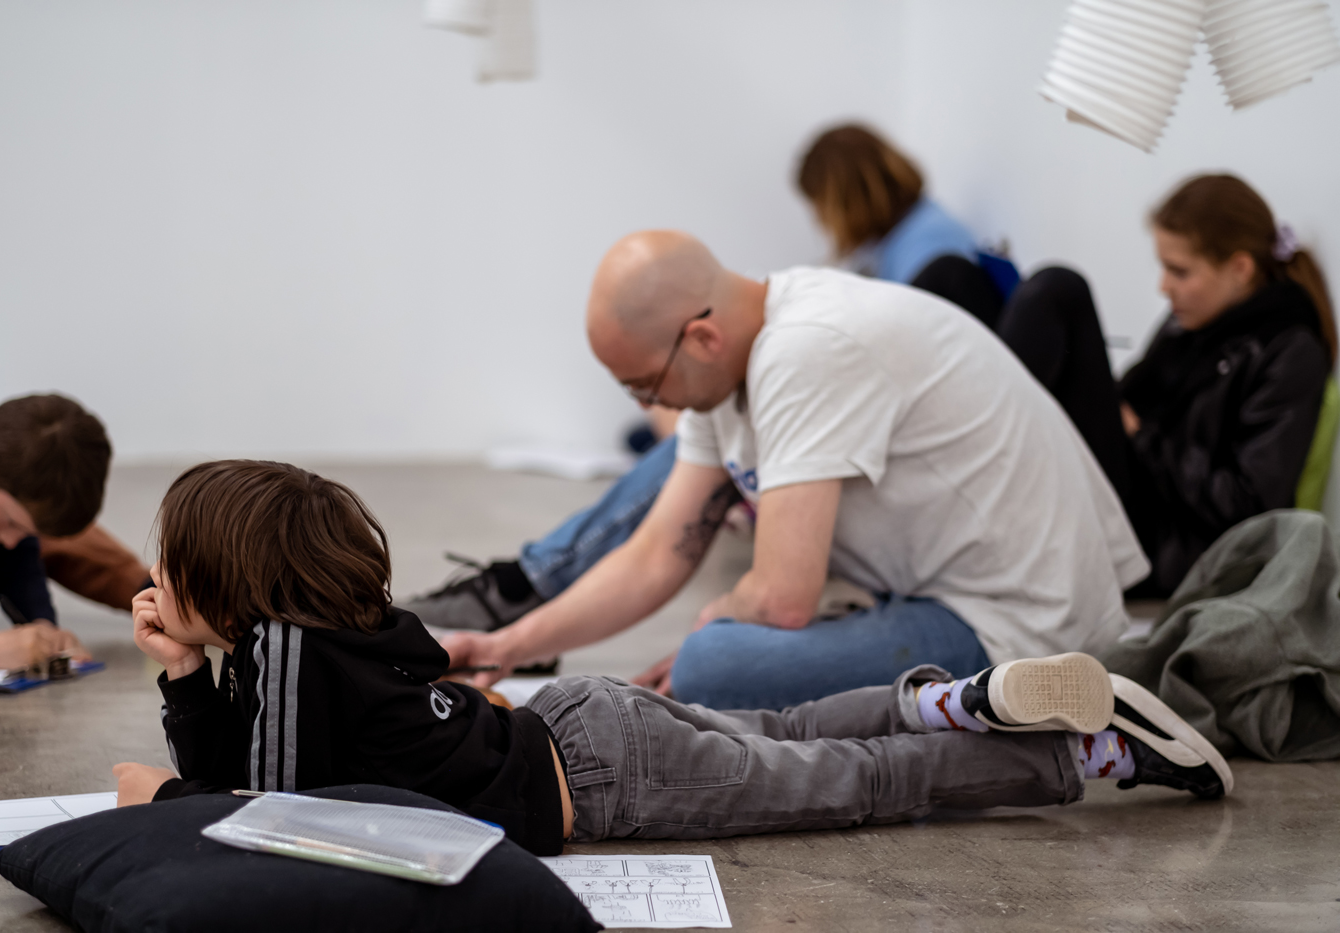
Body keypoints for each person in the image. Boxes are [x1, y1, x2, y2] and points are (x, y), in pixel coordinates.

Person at [112, 459, 1230, 859]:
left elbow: (260, 815)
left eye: (173, 565)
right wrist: (181, 672)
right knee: (792, 737)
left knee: (851, 786)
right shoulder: (310, 640)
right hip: (580, 725)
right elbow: (270, 761)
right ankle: (949, 702)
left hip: (600, 781)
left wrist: (166, 792)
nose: (159, 583)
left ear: (227, 583)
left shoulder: (283, 657)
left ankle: (1082, 757)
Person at [438, 231, 1146, 710]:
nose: (650, 406)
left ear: (701, 337)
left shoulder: (806, 351)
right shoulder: (731, 359)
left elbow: (781, 599)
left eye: (646, 385)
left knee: (715, 669)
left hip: (1024, 623)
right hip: (942, 593)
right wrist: (508, 644)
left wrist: (706, 639)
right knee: (714, 658)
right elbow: (657, 553)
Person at [403, 124, 1008, 639]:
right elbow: (655, 558)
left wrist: (719, 620)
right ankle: (528, 592)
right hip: (849, 432)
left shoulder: (924, 254)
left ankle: (525, 584)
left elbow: (867, 388)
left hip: (896, 470)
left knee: (677, 459)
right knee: (665, 438)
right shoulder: (896, 247)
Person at [997, 174, 1335, 594]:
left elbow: (1249, 505)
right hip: (1140, 496)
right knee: (957, 275)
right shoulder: (1197, 321)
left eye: (1179, 271)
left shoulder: (1289, 350)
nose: (1163, 286)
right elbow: (1135, 396)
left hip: (1171, 544)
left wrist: (1142, 437)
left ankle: (984, 481)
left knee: (1060, 291)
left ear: (1240, 269)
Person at [0, 380, 145, 671]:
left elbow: (17, 555)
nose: (11, 540)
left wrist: (42, 629)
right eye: (10, 521)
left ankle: (164, 594)